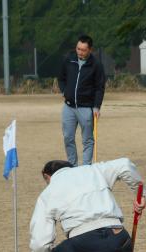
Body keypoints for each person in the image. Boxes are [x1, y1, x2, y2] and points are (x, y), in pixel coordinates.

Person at [29, 158, 146, 252]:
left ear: (47, 176)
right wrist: (140, 195)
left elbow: (41, 239)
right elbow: (125, 164)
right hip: (122, 240)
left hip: (87, 247)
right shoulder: (94, 170)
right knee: (114, 241)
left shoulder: (47, 193)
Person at [58, 35, 106, 167]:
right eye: (78, 48)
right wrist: (64, 91)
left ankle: (86, 168)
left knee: (88, 140)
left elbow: (99, 88)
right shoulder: (69, 59)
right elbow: (61, 78)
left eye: (83, 50)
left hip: (86, 108)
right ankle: (72, 166)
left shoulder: (96, 65)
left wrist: (96, 107)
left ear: (90, 49)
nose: (80, 52)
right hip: (69, 107)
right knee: (68, 138)